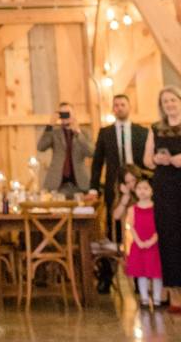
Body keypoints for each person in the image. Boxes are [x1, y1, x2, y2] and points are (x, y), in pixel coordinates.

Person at [89, 95, 150, 239]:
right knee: (114, 221)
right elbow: (97, 162)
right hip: (114, 184)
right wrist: (93, 188)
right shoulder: (105, 133)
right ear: (113, 109)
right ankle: (117, 255)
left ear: (129, 107)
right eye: (116, 105)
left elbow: (148, 160)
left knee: (141, 220)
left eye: (123, 104)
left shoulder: (142, 132)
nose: (119, 108)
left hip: (138, 182)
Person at [144, 85, 181, 312]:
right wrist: (157, 158)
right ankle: (174, 290)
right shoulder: (155, 128)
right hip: (165, 186)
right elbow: (146, 161)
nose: (169, 104)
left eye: (173, 100)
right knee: (169, 235)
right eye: (165, 101)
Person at [38, 102, 94, 197]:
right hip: (57, 184)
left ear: (74, 114)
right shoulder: (54, 132)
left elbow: (91, 153)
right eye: (62, 114)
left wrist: (78, 133)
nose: (65, 116)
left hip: (80, 183)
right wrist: (50, 125)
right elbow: (41, 147)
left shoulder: (84, 133)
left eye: (67, 113)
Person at [124, 176, 162, 308]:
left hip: (154, 245)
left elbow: (160, 227)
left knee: (157, 273)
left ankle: (157, 299)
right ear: (135, 190)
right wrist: (138, 241)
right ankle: (144, 298)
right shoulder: (132, 209)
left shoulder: (157, 208)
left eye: (146, 188)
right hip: (139, 244)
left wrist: (152, 240)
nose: (142, 191)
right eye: (139, 188)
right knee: (141, 273)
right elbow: (131, 226)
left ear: (152, 191)